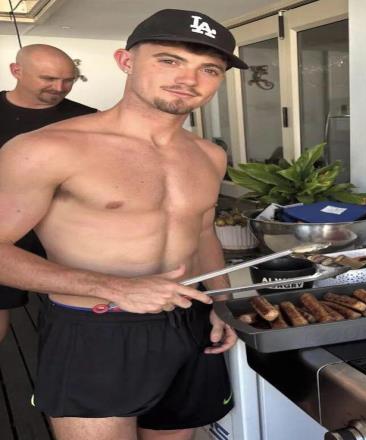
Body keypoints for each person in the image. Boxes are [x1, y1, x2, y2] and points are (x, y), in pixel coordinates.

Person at [0, 9, 248, 440]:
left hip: (189, 320)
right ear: (126, 61)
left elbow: (202, 229)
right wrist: (113, 287)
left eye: (209, 69)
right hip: (95, 329)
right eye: (169, 60)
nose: (188, 79)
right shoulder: (46, 148)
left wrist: (223, 302)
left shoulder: (209, 154)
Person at [0, 44, 97, 342]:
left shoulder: (88, 120)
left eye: (68, 80)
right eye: (48, 79)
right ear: (16, 71)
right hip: (5, 226)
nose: (59, 88)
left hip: (66, 230)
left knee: (79, 303)